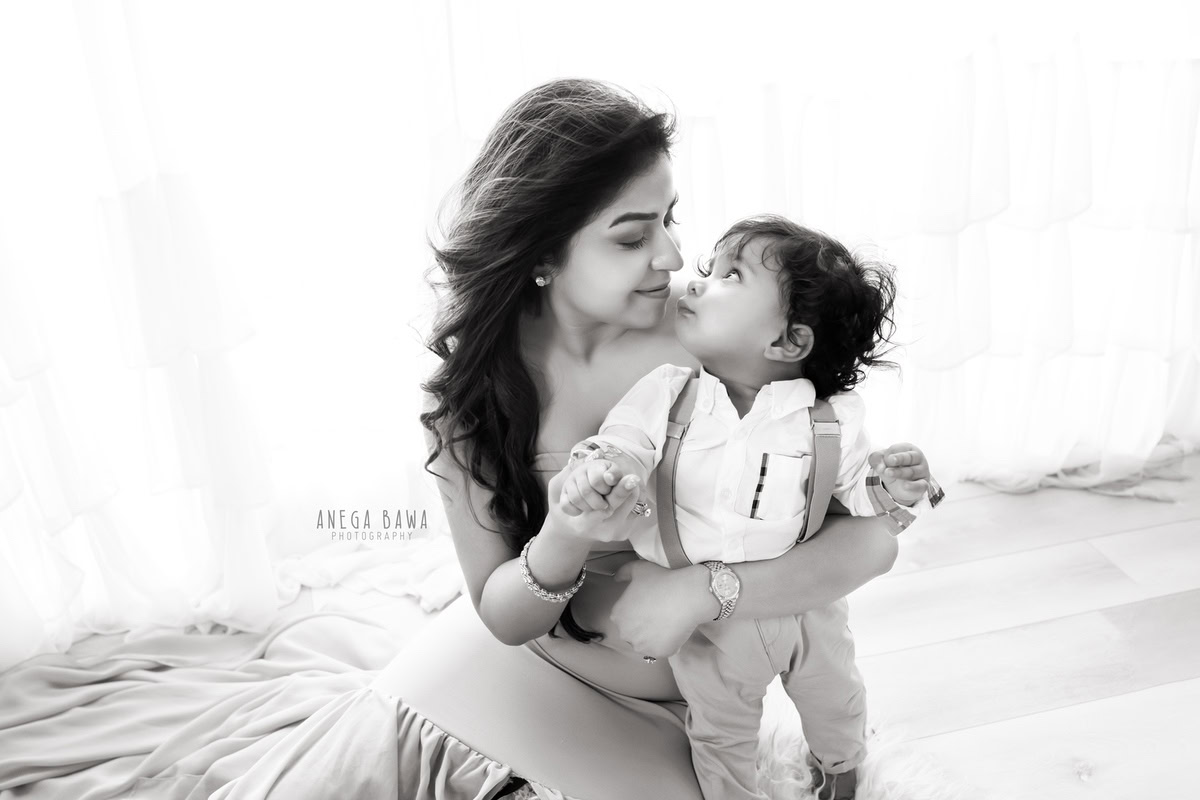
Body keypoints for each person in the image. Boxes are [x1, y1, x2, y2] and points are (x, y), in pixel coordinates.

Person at [214, 79, 900, 800]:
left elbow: (869, 541)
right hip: (521, 673)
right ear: (542, 253)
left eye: (670, 219)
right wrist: (566, 533)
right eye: (633, 236)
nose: (671, 256)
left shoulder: (715, 337)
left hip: (693, 703)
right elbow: (502, 611)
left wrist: (704, 592)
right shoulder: (473, 399)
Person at [558, 215, 942, 800]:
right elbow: (626, 441)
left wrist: (892, 485)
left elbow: (855, 494)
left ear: (787, 342)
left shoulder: (830, 417)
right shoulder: (668, 390)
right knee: (720, 731)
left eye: (727, 276)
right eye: (709, 269)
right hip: (707, 623)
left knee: (836, 697)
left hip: (804, 601)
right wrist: (605, 469)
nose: (696, 281)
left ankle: (840, 770)